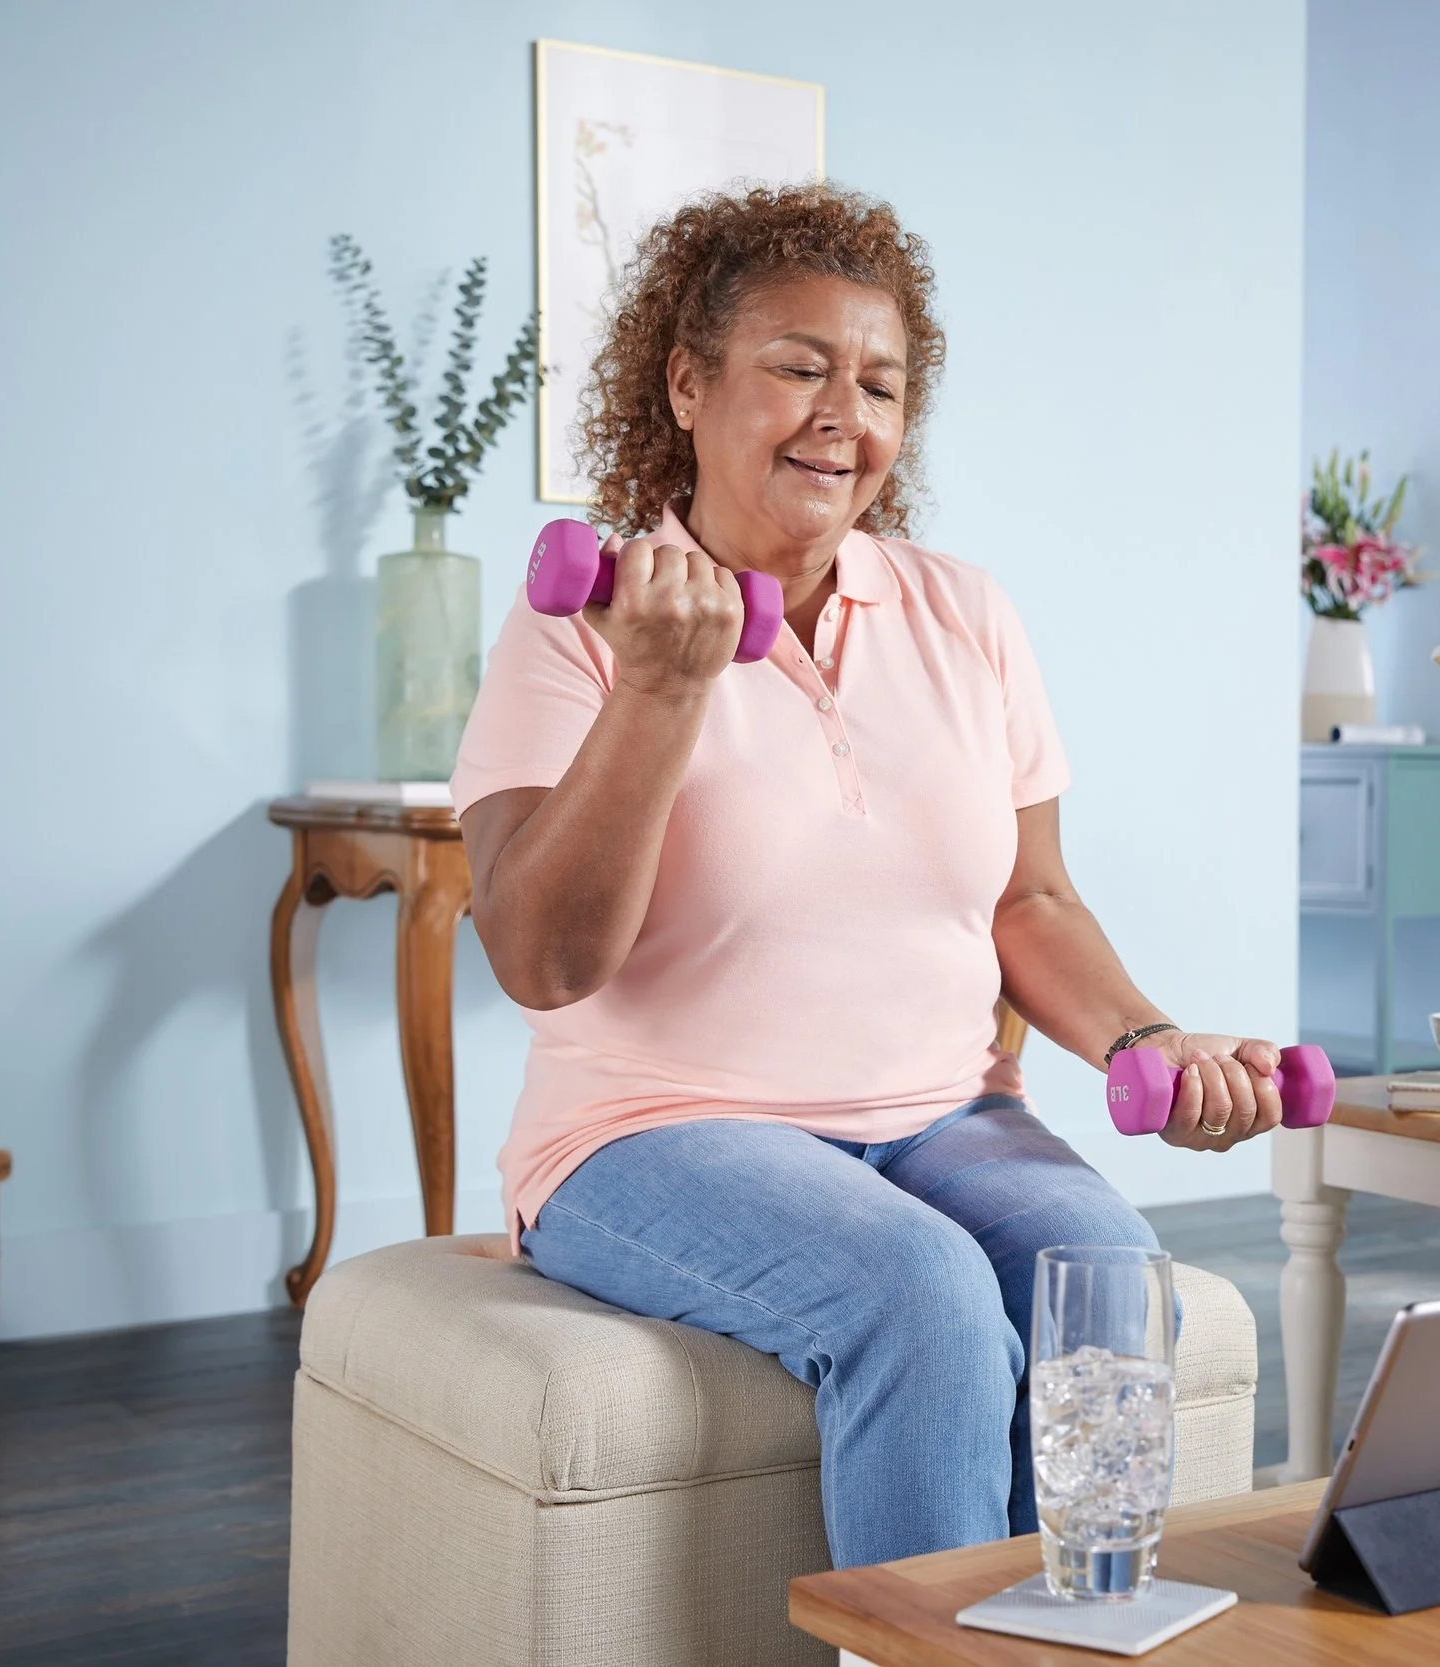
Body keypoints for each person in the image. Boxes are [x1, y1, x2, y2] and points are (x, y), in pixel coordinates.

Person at [451, 183, 1281, 1568]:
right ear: (687, 381)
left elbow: (1031, 898)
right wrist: (661, 690)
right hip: (653, 1130)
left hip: (943, 1113)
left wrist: (1147, 1038)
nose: (846, 411)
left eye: (881, 382)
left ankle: (1073, 1640)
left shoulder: (964, 611)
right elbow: (540, 957)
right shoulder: (585, 631)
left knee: (1111, 1276)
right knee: (924, 1292)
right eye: (798, 367)